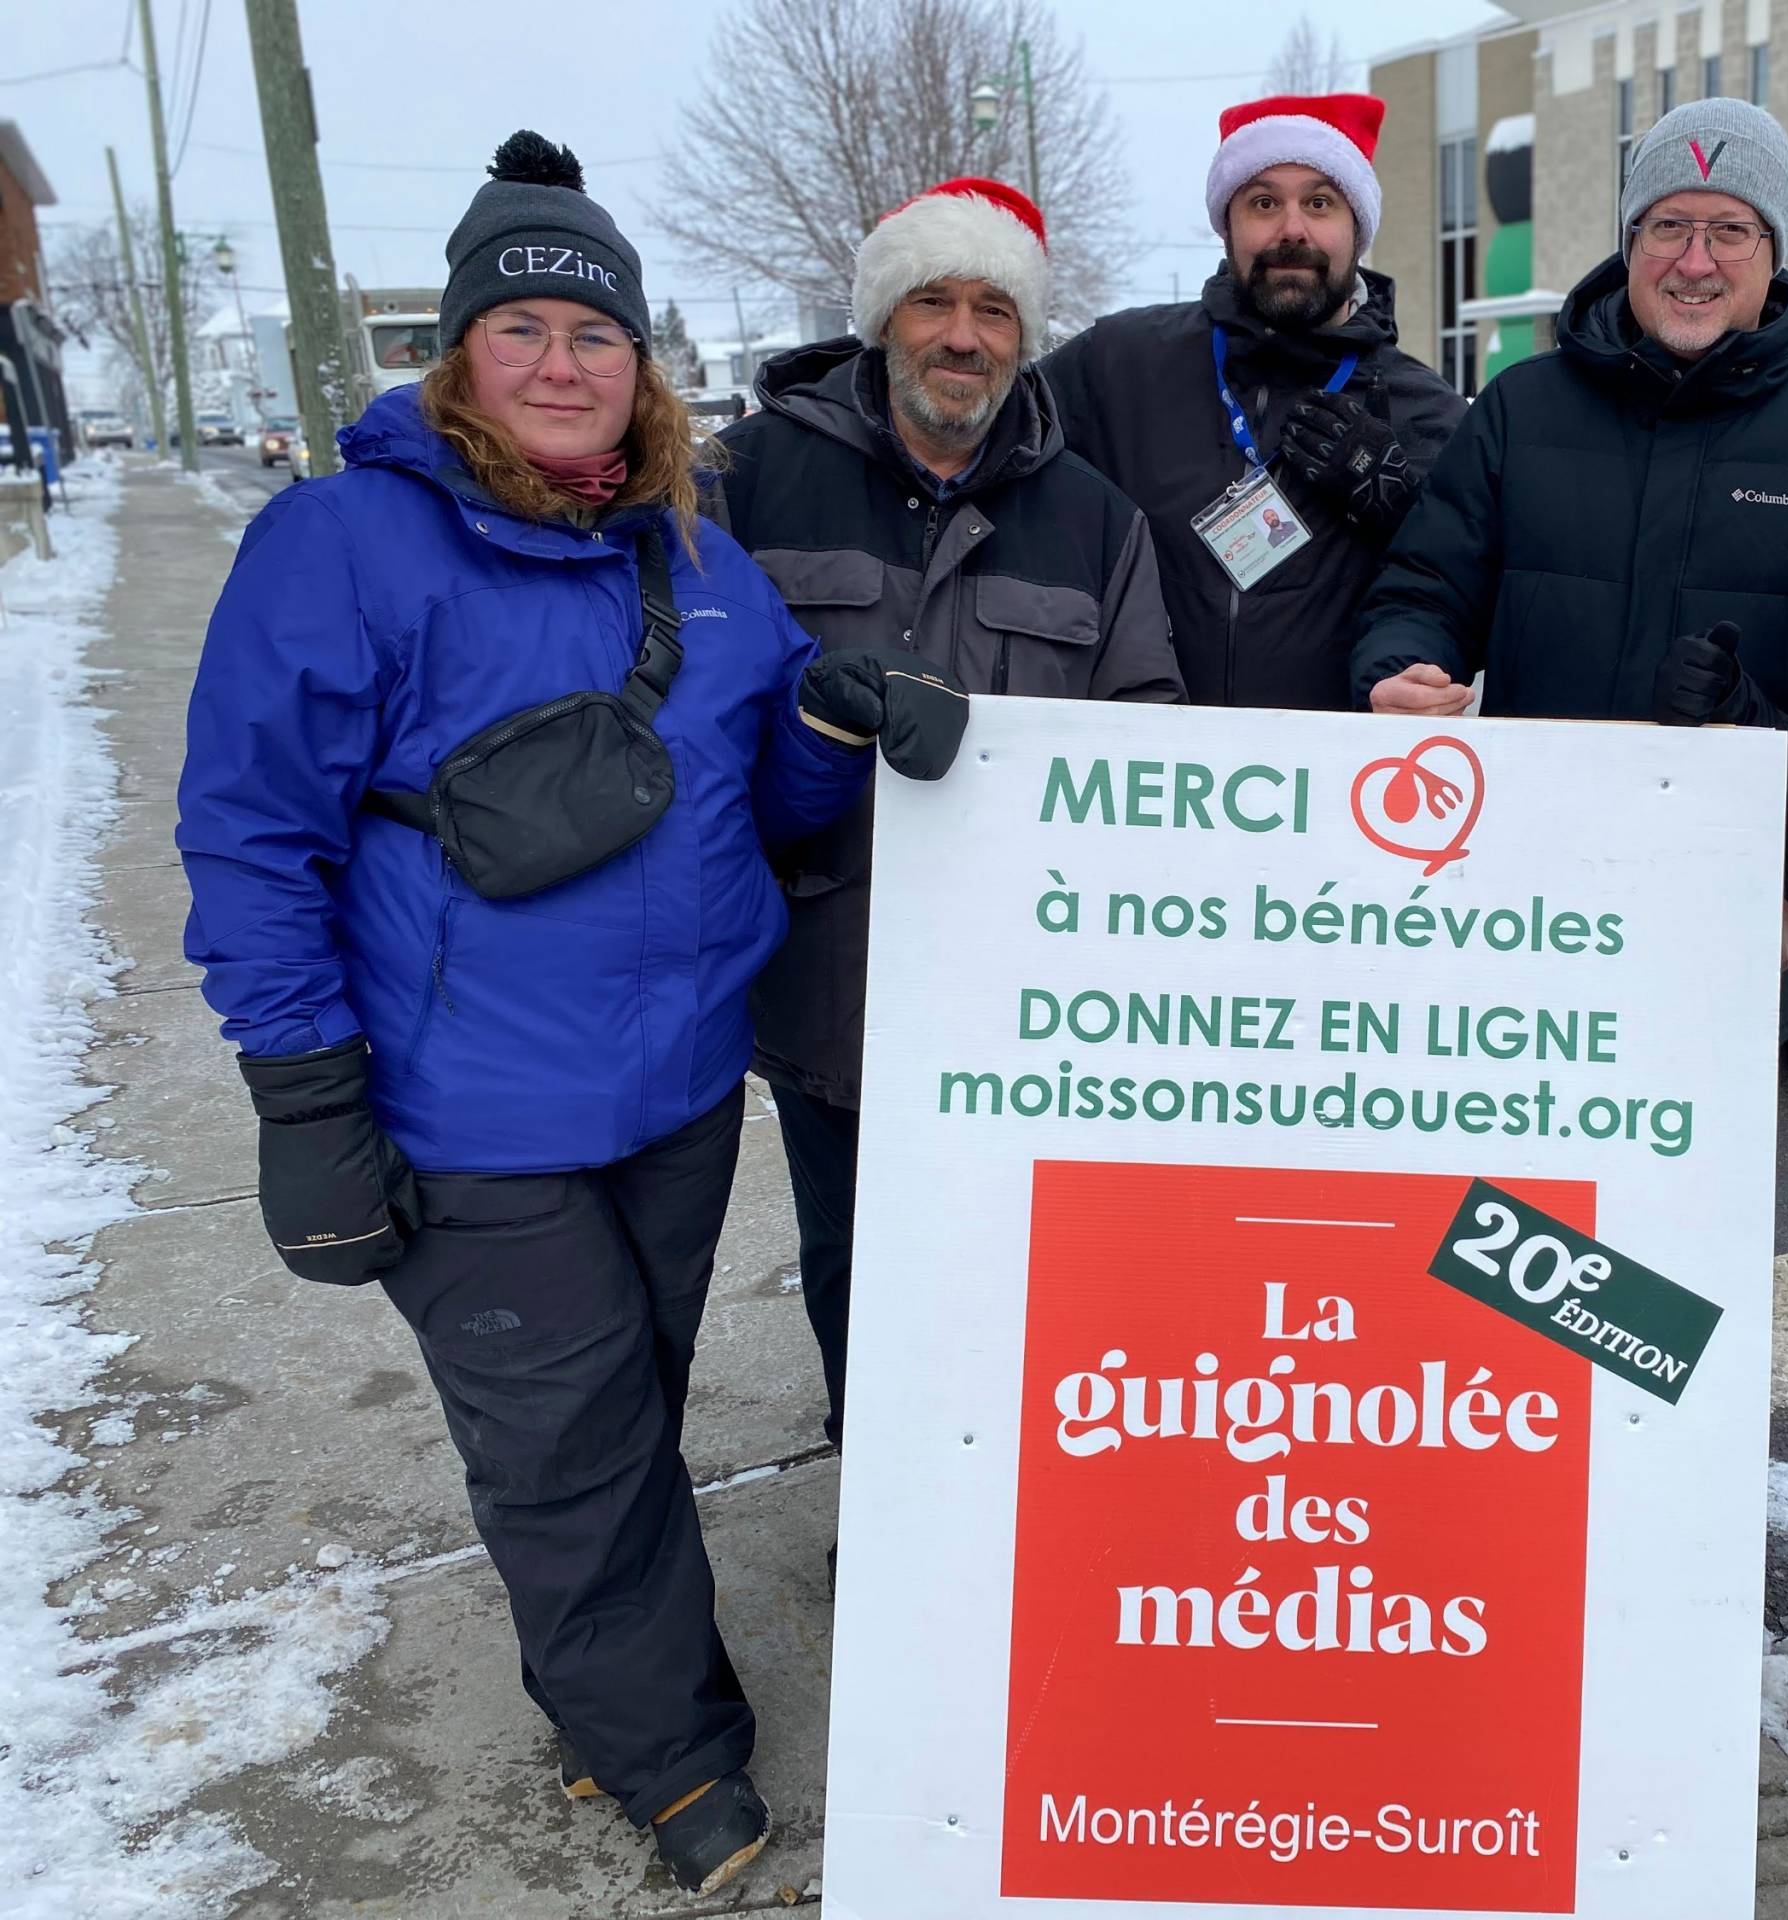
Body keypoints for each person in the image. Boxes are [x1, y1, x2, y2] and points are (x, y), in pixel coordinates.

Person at [175, 132, 967, 1897]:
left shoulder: (690, 556)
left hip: (678, 1096)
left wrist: (840, 729)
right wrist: (304, 1093)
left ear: (639, 367)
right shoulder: (343, 546)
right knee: (574, 1444)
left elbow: (762, 808)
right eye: (519, 327)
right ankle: (669, 1757)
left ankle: (603, 1667)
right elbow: (248, 833)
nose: (557, 360)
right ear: (457, 357)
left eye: (591, 333)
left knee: (624, 1416)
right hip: (469, 1113)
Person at [707, 177, 1183, 1486]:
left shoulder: (1093, 518)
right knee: (860, 1273)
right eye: (933, 301)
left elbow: (1145, 740)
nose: (962, 336)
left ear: (1023, 336)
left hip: (1018, 1006)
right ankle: (887, 1511)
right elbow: (683, 716)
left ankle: (1007, 1531)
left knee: (1018, 1279)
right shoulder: (750, 481)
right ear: (882, 320)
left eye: (992, 307)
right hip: (828, 985)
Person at [1349, 98, 1788, 1022]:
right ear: (1630, 241)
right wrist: (1399, 667)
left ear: (1774, 249)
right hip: (1514, 893)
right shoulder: (1519, 411)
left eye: (1729, 230)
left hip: (1728, 908)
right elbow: (1423, 588)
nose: (1694, 261)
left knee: (1682, 1165)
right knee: (1495, 1165)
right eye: (1668, 227)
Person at [1040, 93, 1467, 708]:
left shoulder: (1425, 410)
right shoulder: (1118, 362)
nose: (1292, 229)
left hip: (1325, 780)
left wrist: (1404, 504)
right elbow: (977, 445)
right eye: (1263, 202)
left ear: (1358, 228)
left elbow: (1478, 589)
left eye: (1320, 202)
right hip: (1138, 772)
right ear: (1228, 226)